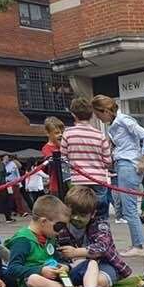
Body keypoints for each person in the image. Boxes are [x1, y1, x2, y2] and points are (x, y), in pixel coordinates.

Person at [92, 94, 144, 257]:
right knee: (129, 207)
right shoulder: (116, 123)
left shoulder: (123, 120)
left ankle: (138, 246)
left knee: (129, 208)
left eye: (98, 114)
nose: (98, 118)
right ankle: (137, 243)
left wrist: (142, 159)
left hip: (128, 164)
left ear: (105, 111)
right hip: (125, 163)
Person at [58, 185, 133, 287]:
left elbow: (102, 247)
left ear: (92, 214)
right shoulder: (62, 226)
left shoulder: (100, 224)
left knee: (99, 280)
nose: (76, 218)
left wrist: (76, 252)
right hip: (76, 266)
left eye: (82, 215)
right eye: (73, 213)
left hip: (104, 264)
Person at [3, 195, 78, 287]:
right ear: (43, 221)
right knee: (34, 280)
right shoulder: (23, 240)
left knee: (89, 264)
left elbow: (59, 259)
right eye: (59, 226)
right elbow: (12, 269)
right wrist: (40, 270)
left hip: (55, 278)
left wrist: (65, 266)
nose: (61, 231)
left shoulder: (49, 237)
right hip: (33, 284)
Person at [61, 97, 112, 226]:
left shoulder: (67, 134)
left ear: (73, 114)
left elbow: (63, 158)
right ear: (91, 115)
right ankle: (101, 238)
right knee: (100, 214)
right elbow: (108, 161)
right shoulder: (99, 135)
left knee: (78, 215)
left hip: (78, 179)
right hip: (98, 179)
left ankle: (79, 241)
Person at [41, 116, 66, 197]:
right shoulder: (46, 148)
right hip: (56, 185)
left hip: (67, 182)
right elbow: (53, 162)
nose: (60, 135)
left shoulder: (64, 145)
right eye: (56, 133)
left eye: (62, 132)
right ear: (48, 133)